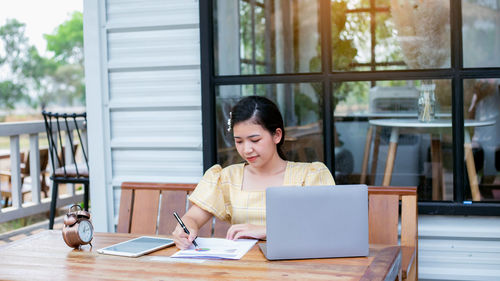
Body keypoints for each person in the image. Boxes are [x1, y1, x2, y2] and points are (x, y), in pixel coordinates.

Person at [172, 96, 335, 249]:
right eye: (239, 141)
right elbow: (192, 218)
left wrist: (267, 230)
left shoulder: (309, 176)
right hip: (244, 268)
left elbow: (326, 226)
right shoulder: (227, 178)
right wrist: (186, 229)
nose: (247, 149)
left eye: (255, 140)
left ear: (277, 135)